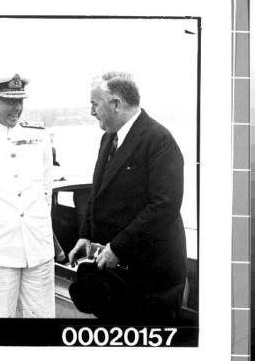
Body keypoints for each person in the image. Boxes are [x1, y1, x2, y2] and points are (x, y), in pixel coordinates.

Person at [68, 71, 187, 324]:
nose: (91, 112)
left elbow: (164, 206)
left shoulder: (159, 140)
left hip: (151, 277)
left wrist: (118, 247)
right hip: (116, 277)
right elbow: (98, 193)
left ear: (116, 104)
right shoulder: (108, 138)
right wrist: (86, 235)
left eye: (94, 104)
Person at [0, 73, 55, 318]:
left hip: (38, 249)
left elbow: (46, 189)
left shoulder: (40, 137)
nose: (17, 108)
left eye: (20, 101)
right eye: (9, 101)